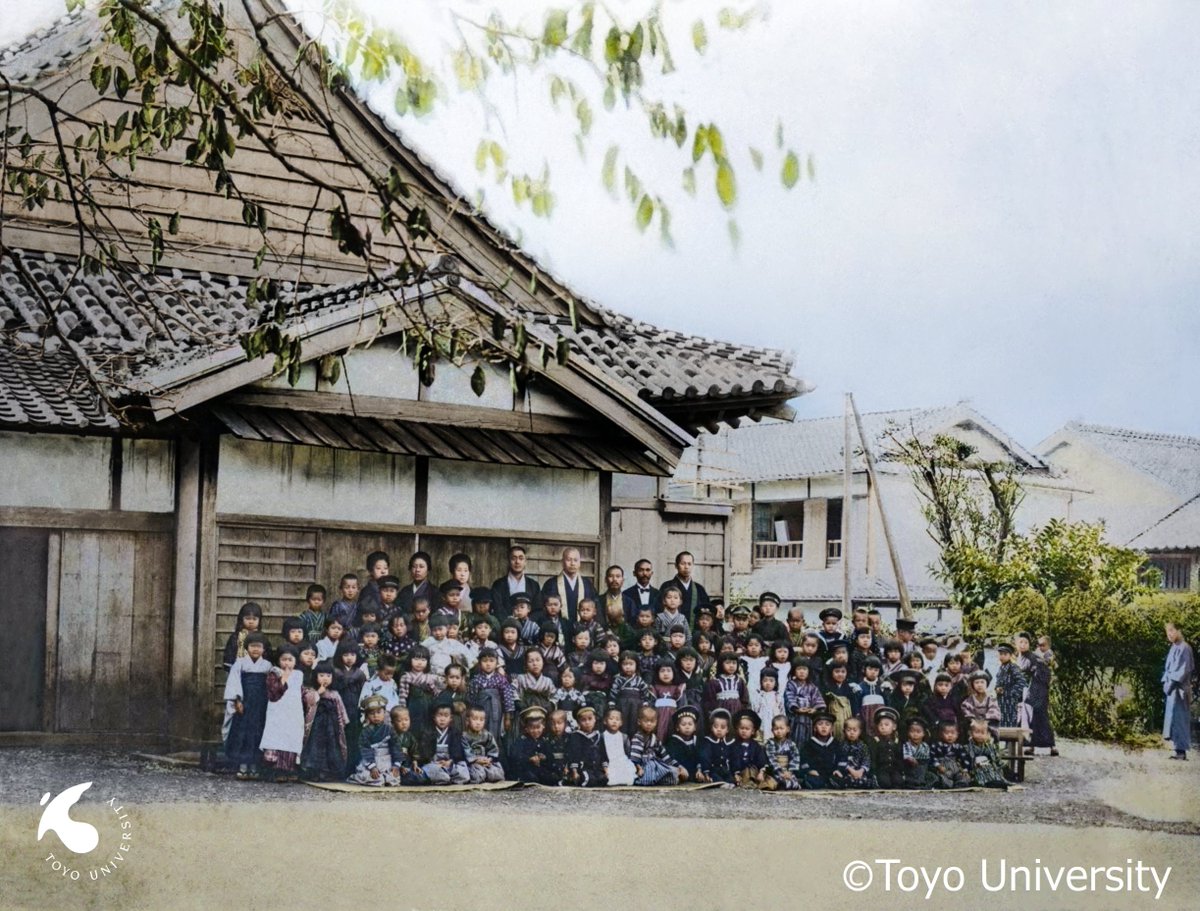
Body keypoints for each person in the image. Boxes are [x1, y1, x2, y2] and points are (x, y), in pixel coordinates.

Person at [224, 632, 272, 780]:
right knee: (243, 734)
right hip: (245, 704)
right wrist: (237, 700)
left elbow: (272, 683)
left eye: (259, 647)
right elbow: (234, 682)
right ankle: (243, 766)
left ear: (264, 650)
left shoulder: (268, 665)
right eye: (252, 646)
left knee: (258, 733)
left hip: (261, 704)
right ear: (246, 648)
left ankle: (254, 766)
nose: (255, 649)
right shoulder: (240, 663)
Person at [260, 646, 305, 783]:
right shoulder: (274, 673)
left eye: (290, 660)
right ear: (278, 660)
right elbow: (273, 694)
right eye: (284, 659)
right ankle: (276, 770)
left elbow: (300, 692)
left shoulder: (298, 674)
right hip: (278, 711)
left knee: (291, 737)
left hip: (293, 711)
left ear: (295, 661)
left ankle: (290, 769)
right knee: (277, 736)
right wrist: (283, 679)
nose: (287, 663)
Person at [300, 660, 348, 782]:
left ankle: (328, 773)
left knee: (332, 747)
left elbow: (340, 709)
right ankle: (314, 771)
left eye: (328, 676)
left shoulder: (334, 694)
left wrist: (343, 722)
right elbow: (308, 702)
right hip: (316, 726)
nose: (325, 679)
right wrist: (318, 692)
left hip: (332, 726)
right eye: (321, 676)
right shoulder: (311, 691)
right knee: (315, 747)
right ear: (315, 676)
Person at [541, 546, 598, 625]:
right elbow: (544, 609)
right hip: (557, 628)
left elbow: (595, 608)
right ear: (562, 562)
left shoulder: (587, 584)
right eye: (569, 560)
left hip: (584, 631)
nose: (572, 563)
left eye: (575, 560)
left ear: (579, 563)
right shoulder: (551, 584)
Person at [1163, 622, 1195, 760]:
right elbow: (1168, 669)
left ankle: (1181, 752)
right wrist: (1165, 681)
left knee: (1180, 720)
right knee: (1173, 720)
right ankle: (1177, 750)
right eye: (1167, 631)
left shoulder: (1184, 648)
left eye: (1172, 630)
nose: (1169, 634)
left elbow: (1183, 670)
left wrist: (1170, 684)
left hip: (1180, 689)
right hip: (1172, 688)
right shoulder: (1173, 647)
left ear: (1179, 631)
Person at [468, 647, 515, 742]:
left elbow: (507, 698)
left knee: (495, 731)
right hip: (480, 710)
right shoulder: (476, 680)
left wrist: (507, 717)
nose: (488, 664)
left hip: (496, 710)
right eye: (484, 661)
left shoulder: (501, 679)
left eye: (491, 661)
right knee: (479, 729)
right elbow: (472, 698)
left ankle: (493, 751)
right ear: (480, 663)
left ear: (497, 663)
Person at [348, 695, 395, 786]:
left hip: (386, 760)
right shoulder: (366, 731)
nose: (376, 716)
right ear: (367, 715)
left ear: (384, 712)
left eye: (379, 712)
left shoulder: (389, 729)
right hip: (371, 760)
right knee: (375, 778)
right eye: (372, 713)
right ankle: (357, 777)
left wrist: (396, 764)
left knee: (393, 778)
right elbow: (365, 750)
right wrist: (372, 767)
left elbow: (395, 746)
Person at [417, 704, 470, 784]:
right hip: (434, 764)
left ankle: (442, 778)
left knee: (464, 773)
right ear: (434, 718)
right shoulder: (427, 733)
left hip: (449, 764)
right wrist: (434, 762)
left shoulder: (455, 733)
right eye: (439, 715)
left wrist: (450, 761)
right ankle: (444, 778)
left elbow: (458, 752)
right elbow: (424, 753)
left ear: (451, 718)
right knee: (432, 770)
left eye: (446, 716)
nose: (442, 719)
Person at [630, 705, 683, 785]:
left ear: (656, 722)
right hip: (643, 765)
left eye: (652, 722)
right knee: (649, 774)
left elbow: (664, 754)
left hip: (655, 763)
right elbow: (634, 757)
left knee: (671, 771)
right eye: (646, 721)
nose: (649, 724)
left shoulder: (655, 738)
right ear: (639, 722)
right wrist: (638, 768)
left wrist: (678, 766)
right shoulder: (638, 737)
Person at [510, 706, 560, 785]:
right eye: (532, 728)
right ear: (526, 728)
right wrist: (529, 758)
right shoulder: (522, 740)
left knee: (551, 777)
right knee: (530, 777)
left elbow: (550, 757)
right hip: (526, 769)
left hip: (541, 770)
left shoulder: (544, 740)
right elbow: (515, 755)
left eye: (538, 727)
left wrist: (544, 757)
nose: (535, 731)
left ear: (543, 727)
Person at [491, 544, 541, 619]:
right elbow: (498, 609)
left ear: (525, 561)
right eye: (513, 558)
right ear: (508, 561)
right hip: (506, 627)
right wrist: (510, 622)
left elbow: (538, 610)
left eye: (521, 558)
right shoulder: (498, 585)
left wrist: (527, 622)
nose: (517, 562)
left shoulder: (533, 585)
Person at [1024, 650, 1058, 757]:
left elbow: (1046, 678)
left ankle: (1050, 746)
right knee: (1034, 718)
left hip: (1042, 694)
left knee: (1042, 718)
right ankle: (1033, 745)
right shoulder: (1035, 661)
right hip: (1035, 692)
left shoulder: (1046, 666)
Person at [565, 705, 608, 787]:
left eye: (590, 719)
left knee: (603, 780)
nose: (587, 722)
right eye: (583, 720)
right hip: (583, 767)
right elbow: (574, 754)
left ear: (595, 719)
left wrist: (605, 769)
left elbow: (603, 753)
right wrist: (574, 771)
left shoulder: (598, 735)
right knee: (589, 780)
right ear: (578, 722)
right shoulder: (576, 736)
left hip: (596, 767)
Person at [462, 705, 506, 783]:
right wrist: (476, 760)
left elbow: (493, 749)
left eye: (481, 720)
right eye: (475, 719)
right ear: (468, 720)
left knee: (498, 773)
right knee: (479, 775)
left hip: (486, 761)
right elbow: (466, 751)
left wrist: (489, 759)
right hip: (473, 762)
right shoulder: (464, 736)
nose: (478, 723)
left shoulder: (487, 735)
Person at [730, 709, 771, 789]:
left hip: (754, 772)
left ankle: (756, 782)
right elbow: (733, 761)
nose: (744, 731)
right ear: (737, 729)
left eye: (747, 729)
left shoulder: (756, 746)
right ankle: (744, 782)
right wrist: (736, 774)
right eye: (742, 728)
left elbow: (761, 760)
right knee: (745, 772)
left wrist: (761, 772)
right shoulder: (734, 746)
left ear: (753, 731)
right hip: (740, 772)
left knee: (753, 771)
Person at [799, 709, 839, 789]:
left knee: (841, 780)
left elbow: (842, 757)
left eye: (827, 725)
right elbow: (804, 759)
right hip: (816, 773)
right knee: (813, 781)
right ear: (814, 728)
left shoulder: (835, 743)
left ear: (831, 729)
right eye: (820, 724)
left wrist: (839, 770)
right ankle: (813, 782)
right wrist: (809, 770)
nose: (824, 727)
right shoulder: (809, 744)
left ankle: (831, 782)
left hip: (832, 773)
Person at [832, 717, 876, 790]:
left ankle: (861, 782)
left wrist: (861, 771)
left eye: (855, 730)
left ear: (860, 732)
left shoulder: (863, 746)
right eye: (848, 730)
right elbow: (839, 760)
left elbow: (866, 759)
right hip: (846, 771)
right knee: (837, 778)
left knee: (867, 779)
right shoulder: (842, 745)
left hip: (859, 771)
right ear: (844, 731)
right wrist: (850, 770)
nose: (851, 733)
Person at [665, 705, 706, 782]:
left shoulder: (697, 741)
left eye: (690, 724)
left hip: (695, 773)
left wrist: (699, 770)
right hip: (680, 771)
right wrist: (679, 768)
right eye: (683, 724)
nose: (687, 727)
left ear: (695, 727)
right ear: (677, 727)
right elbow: (670, 758)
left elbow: (700, 758)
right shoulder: (673, 742)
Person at [668, 551, 710, 623]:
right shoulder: (667, 586)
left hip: (695, 631)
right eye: (683, 563)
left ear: (693, 565)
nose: (686, 567)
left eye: (689, 564)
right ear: (676, 565)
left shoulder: (699, 589)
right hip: (672, 630)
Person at [965, 719, 1008, 788]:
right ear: (971, 733)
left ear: (988, 734)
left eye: (983, 733)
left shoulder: (989, 746)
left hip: (988, 765)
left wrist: (999, 765)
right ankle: (985, 783)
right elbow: (966, 759)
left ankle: (995, 782)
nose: (980, 735)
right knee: (980, 773)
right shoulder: (968, 747)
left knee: (993, 771)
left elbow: (994, 758)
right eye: (977, 732)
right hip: (976, 767)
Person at [869, 707, 904, 789]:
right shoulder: (876, 741)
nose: (883, 727)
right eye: (880, 725)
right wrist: (873, 772)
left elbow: (899, 757)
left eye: (886, 724)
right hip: (881, 769)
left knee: (898, 782)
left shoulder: (896, 741)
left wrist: (901, 770)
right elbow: (873, 757)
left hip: (894, 769)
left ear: (894, 727)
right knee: (885, 783)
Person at [993, 643, 1027, 728]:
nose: (1002, 656)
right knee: (1001, 721)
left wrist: (1010, 693)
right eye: (1001, 654)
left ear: (1010, 655)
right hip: (1001, 700)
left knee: (1011, 721)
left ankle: (1011, 740)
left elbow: (1022, 682)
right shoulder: (1001, 668)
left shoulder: (1013, 668)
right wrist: (997, 688)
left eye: (1005, 654)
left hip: (1011, 701)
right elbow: (998, 682)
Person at [223, 602, 264, 671]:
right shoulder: (235, 637)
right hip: (237, 670)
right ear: (241, 619)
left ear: (259, 620)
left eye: (254, 619)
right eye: (248, 618)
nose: (251, 621)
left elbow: (267, 655)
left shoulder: (262, 638)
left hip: (257, 671)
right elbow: (229, 654)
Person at [764, 714, 801, 790]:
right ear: (772, 730)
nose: (779, 731)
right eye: (776, 729)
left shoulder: (791, 744)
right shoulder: (770, 743)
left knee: (795, 785)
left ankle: (786, 783)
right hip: (775, 771)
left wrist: (790, 771)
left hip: (788, 771)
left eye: (781, 728)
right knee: (778, 781)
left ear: (788, 729)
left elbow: (795, 758)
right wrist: (780, 772)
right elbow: (771, 759)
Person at [699, 708, 736, 784]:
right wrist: (706, 771)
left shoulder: (730, 742)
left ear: (727, 729)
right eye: (716, 727)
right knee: (717, 780)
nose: (719, 730)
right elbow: (705, 757)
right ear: (711, 728)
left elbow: (734, 757)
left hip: (726, 769)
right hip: (713, 769)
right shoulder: (708, 741)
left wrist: (736, 772)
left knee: (731, 780)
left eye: (722, 727)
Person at [622, 558, 660, 624]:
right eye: (641, 570)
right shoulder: (626, 594)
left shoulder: (658, 594)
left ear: (652, 573)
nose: (645, 573)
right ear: (634, 573)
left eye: (647, 570)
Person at [358, 551, 390, 619]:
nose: (383, 571)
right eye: (378, 568)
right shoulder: (366, 591)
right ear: (370, 571)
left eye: (385, 568)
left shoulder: (391, 590)